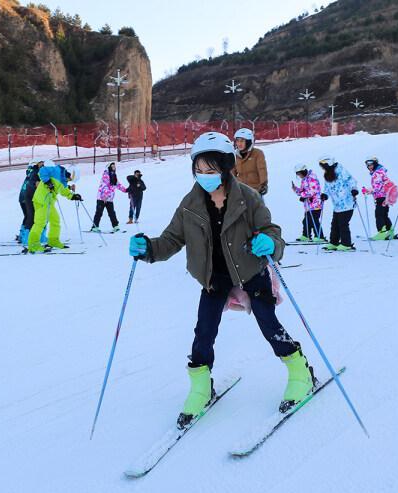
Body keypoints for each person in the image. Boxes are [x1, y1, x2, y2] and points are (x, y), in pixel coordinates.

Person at [128, 132, 315, 429]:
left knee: (268, 322)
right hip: (214, 277)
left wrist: (269, 242)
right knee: (204, 331)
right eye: (199, 170)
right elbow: (171, 240)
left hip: (250, 272)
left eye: (211, 171)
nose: (204, 177)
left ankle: (300, 371)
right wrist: (148, 248)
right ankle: (202, 387)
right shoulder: (190, 205)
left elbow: (273, 233)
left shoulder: (248, 198)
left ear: (226, 168)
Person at [26, 162, 82, 253]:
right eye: (70, 178)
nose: (69, 180)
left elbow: (64, 191)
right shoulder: (57, 170)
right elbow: (42, 171)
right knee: (40, 223)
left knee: (55, 220)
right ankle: (33, 244)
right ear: (71, 173)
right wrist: (47, 182)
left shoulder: (63, 181)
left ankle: (53, 240)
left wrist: (73, 196)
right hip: (41, 200)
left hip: (49, 203)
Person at [318, 157, 359, 251]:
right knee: (335, 224)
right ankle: (334, 242)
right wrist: (325, 194)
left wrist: (354, 189)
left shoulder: (341, 170)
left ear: (329, 164)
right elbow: (327, 187)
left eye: (324, 166)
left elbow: (351, 180)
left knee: (343, 224)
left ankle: (346, 244)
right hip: (337, 205)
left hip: (347, 203)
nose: (323, 168)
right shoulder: (328, 174)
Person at [362, 157, 397, 240]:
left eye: (371, 164)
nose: (369, 166)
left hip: (381, 197)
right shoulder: (381, 172)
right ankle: (390, 231)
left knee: (379, 214)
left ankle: (382, 233)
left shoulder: (377, 173)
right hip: (386, 196)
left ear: (375, 163)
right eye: (367, 164)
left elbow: (377, 187)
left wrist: (367, 190)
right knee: (384, 214)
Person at [291, 164, 325, 242]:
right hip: (309, 205)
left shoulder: (312, 178)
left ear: (303, 171)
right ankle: (306, 235)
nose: (299, 176)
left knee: (314, 220)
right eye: (297, 174)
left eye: (299, 174)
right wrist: (295, 189)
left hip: (316, 203)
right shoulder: (304, 179)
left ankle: (320, 236)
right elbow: (303, 191)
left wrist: (303, 196)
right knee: (306, 220)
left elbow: (312, 191)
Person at [91, 162, 128, 233]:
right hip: (102, 198)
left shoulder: (114, 175)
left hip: (109, 199)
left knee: (112, 213)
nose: (114, 167)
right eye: (113, 166)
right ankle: (94, 227)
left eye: (115, 166)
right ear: (109, 167)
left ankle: (115, 226)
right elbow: (104, 186)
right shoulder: (106, 175)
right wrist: (105, 196)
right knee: (99, 213)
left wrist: (125, 190)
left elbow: (118, 185)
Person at [233, 128, 268, 196]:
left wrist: (263, 184)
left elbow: (262, 170)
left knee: (258, 206)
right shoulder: (235, 155)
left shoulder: (257, 153)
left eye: (242, 141)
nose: (239, 143)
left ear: (249, 142)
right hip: (240, 190)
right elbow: (232, 173)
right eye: (237, 141)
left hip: (255, 190)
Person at [18, 160, 44, 245]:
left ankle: (23, 234)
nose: (43, 164)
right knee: (31, 217)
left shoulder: (30, 172)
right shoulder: (36, 172)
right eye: (41, 163)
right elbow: (35, 184)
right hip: (28, 196)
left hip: (22, 197)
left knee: (27, 216)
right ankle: (26, 237)